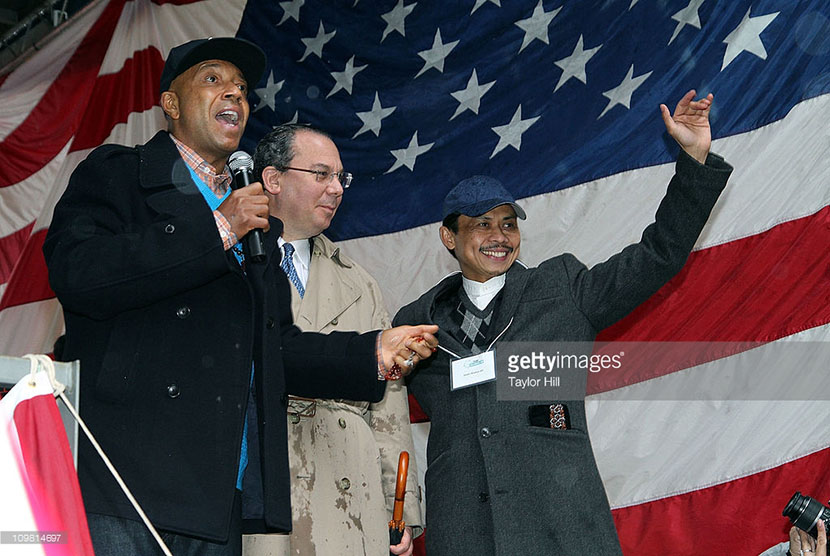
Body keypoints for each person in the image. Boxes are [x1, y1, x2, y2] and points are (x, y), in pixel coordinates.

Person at [42, 37, 436, 556]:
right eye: (213, 79)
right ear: (171, 103)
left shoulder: (255, 222)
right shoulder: (119, 172)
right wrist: (216, 230)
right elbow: (78, 274)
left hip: (219, 492)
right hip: (125, 479)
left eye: (243, 88)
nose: (234, 93)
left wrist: (371, 351)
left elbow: (276, 349)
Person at [392, 90, 734, 555]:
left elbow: (658, 255)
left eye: (509, 224)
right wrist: (398, 513)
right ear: (449, 237)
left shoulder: (563, 290)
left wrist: (693, 160)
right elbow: (382, 418)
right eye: (482, 224)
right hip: (465, 534)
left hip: (562, 529)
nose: (499, 236)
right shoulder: (416, 324)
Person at [241, 124, 423, 556]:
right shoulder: (231, 263)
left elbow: (389, 410)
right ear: (273, 179)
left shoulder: (361, 283)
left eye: (341, 177)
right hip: (262, 490)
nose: (337, 188)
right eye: (321, 174)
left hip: (349, 493)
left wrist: (400, 509)